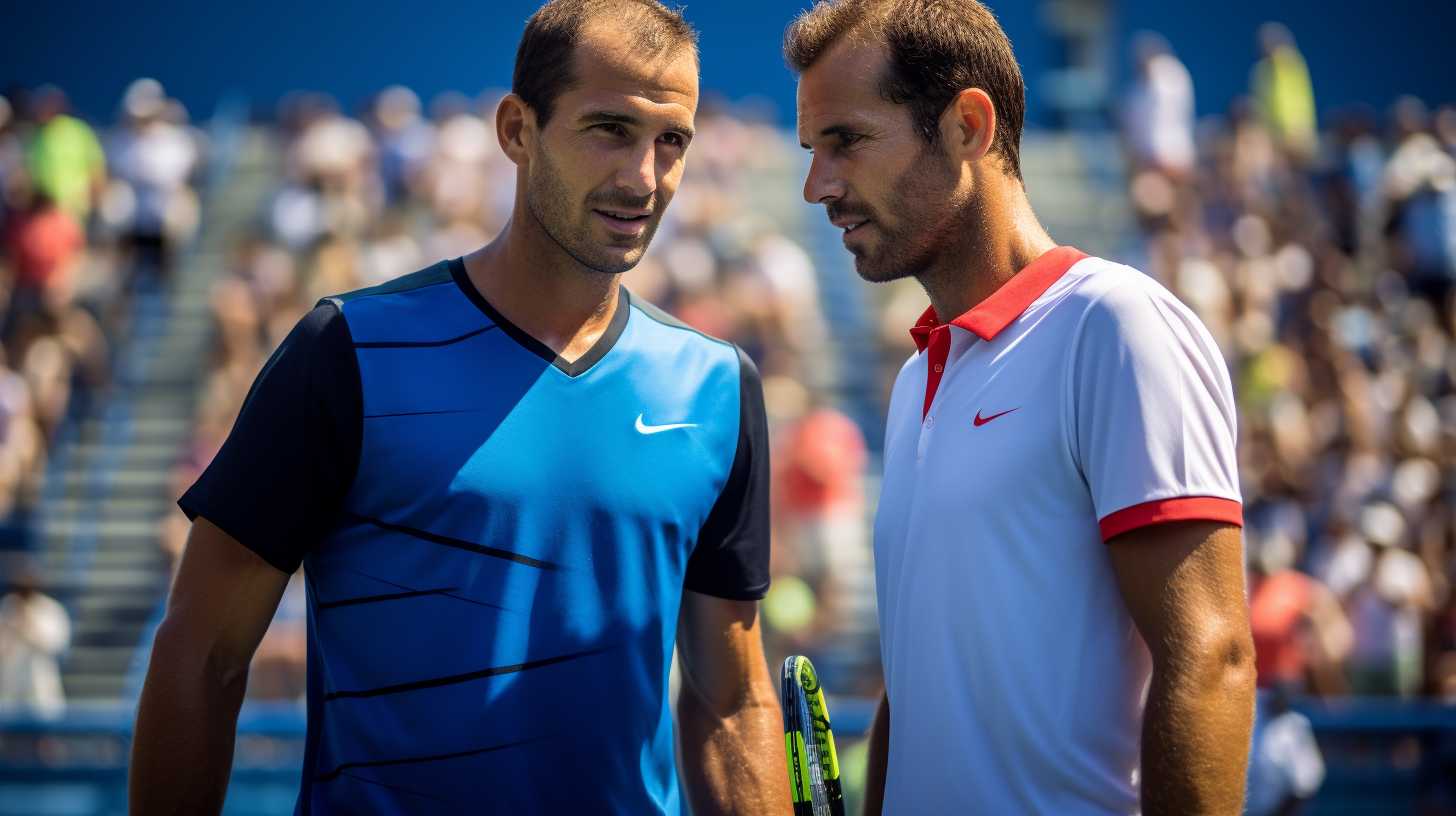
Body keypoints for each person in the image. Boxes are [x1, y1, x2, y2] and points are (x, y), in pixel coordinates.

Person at [129, 2, 788, 814]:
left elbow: (731, 700)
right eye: (609, 129)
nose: (643, 178)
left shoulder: (717, 386)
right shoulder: (349, 351)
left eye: (671, 141)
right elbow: (202, 656)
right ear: (517, 129)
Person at [786, 1, 1255, 813]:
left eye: (847, 142)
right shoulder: (912, 384)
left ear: (968, 125)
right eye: (812, 150)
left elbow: (1210, 658)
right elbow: (916, 688)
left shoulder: (1115, 325)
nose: (817, 186)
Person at [0, 566, 71, 718]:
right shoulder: (8, 607)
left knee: (43, 737)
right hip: (11, 689)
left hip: (40, 688)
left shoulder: (50, 609)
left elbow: (55, 645)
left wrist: (27, 625)